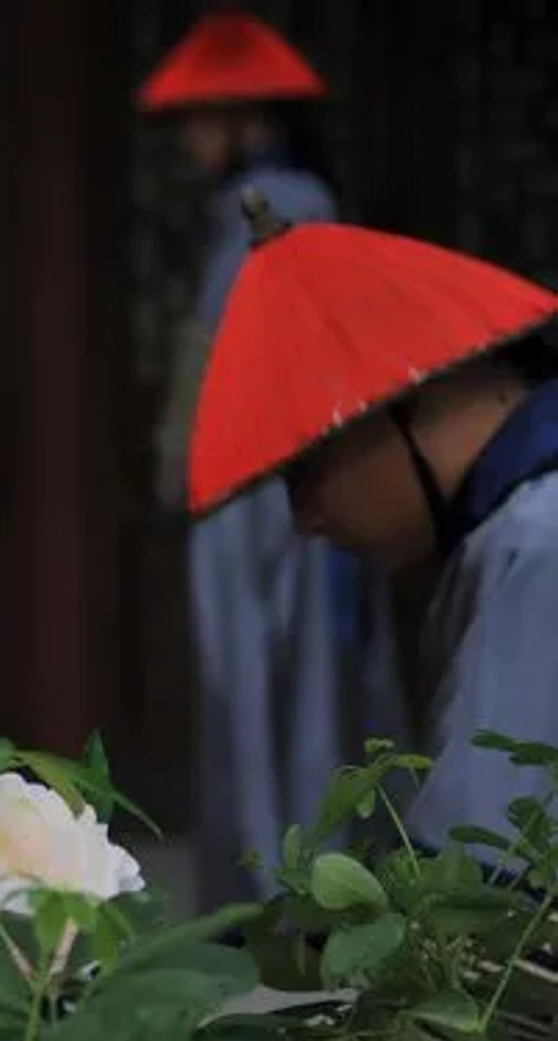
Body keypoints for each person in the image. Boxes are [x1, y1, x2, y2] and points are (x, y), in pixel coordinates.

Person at [188, 192, 558, 859]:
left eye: (305, 470)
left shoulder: (542, 543)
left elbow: (481, 884)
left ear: (392, 406)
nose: (305, 520)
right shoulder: (517, 529)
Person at [138, 10, 407, 904]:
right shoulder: (269, 205)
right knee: (268, 680)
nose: (188, 144)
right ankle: (286, 877)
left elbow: (257, 348)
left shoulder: (286, 206)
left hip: (267, 475)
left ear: (246, 118)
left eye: (200, 123)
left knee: (275, 679)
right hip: (255, 470)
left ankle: (290, 882)